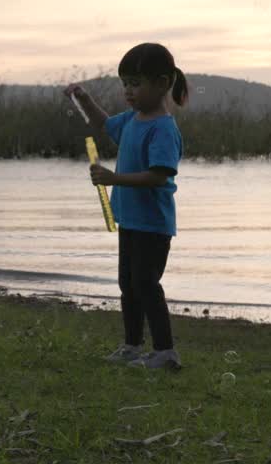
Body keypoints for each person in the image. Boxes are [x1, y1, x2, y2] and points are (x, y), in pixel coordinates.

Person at [65, 43, 187, 369]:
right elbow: (102, 123)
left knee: (147, 284)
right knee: (128, 286)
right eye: (125, 84)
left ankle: (165, 352)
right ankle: (132, 345)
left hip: (153, 224)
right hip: (130, 221)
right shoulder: (133, 120)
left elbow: (158, 177)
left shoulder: (163, 128)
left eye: (136, 83)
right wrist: (84, 99)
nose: (129, 91)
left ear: (162, 83)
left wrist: (113, 179)